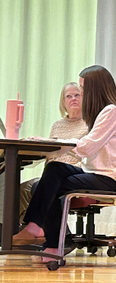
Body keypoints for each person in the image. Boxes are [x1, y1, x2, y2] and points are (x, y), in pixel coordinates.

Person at [13, 67, 116, 262]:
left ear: (95, 88)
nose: (82, 93)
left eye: (84, 88)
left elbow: (87, 147)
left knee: (50, 185)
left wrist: (52, 143)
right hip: (96, 172)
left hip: (110, 178)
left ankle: (50, 243)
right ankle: (41, 233)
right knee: (52, 171)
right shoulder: (105, 111)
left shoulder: (111, 111)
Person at [0, 83, 88, 230]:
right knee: (17, 191)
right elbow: (51, 155)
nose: (73, 99)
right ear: (63, 102)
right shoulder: (57, 125)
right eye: (68, 96)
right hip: (52, 172)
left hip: (75, 172)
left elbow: (87, 152)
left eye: (77, 95)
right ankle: (14, 232)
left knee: (37, 187)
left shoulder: (89, 123)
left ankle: (59, 235)